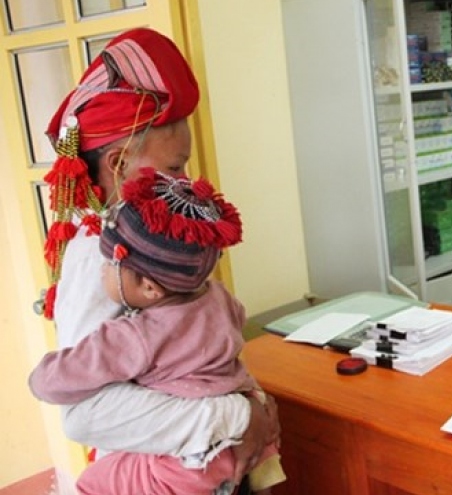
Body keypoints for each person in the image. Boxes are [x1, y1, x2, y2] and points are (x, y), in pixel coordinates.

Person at [38, 27, 277, 488]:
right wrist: (239, 414)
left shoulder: (155, 233)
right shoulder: (101, 256)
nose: (184, 181)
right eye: (174, 167)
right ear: (118, 163)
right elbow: (85, 413)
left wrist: (251, 402)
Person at [30, 169, 286, 494]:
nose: (103, 272)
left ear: (149, 287)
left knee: (92, 482)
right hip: (245, 439)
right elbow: (238, 319)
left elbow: (58, 378)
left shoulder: (137, 335)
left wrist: (37, 378)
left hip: (188, 464)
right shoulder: (219, 296)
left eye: (109, 264)